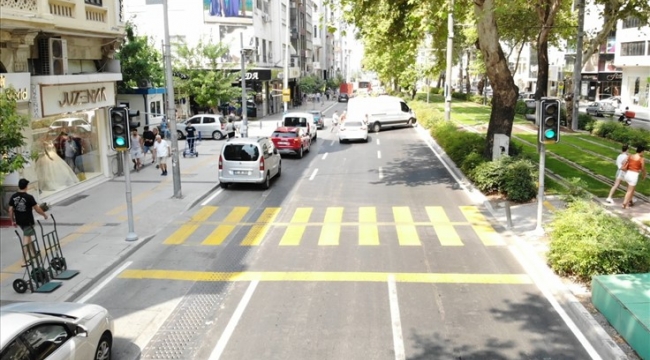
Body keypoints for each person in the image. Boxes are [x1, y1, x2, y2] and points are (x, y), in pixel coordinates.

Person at [8, 179, 48, 258]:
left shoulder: (13, 196)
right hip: (28, 221)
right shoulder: (29, 197)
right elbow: (37, 209)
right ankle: (24, 260)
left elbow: (10, 210)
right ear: (26, 187)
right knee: (26, 239)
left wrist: (12, 221)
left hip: (19, 221)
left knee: (28, 236)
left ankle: (34, 253)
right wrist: (44, 215)